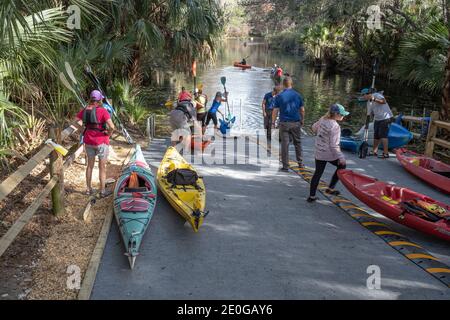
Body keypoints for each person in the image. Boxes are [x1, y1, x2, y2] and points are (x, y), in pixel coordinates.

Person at [77, 90, 115, 197]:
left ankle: (88, 190)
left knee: (90, 166)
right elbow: (112, 126)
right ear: (100, 100)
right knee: (102, 167)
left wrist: (83, 128)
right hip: (101, 141)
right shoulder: (103, 111)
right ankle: (102, 191)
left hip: (88, 141)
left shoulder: (85, 110)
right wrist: (109, 133)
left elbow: (76, 120)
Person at [307, 104, 349, 202]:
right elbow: (334, 145)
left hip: (319, 151)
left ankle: (311, 196)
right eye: (342, 114)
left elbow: (313, 128)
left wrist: (322, 134)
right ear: (336, 114)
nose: (343, 116)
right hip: (329, 154)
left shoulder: (323, 119)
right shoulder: (335, 126)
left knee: (317, 173)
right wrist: (341, 157)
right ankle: (330, 188)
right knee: (342, 165)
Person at [272, 77, 305, 172]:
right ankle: (300, 164)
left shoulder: (279, 96)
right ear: (292, 84)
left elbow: (275, 110)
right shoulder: (297, 95)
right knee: (297, 143)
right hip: (296, 123)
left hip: (284, 124)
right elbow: (302, 109)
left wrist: (273, 123)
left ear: (283, 85)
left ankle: (285, 166)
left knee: (284, 144)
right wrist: (302, 119)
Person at [361, 88, 394, 159]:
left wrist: (374, 99)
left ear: (367, 94)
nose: (363, 97)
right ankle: (374, 151)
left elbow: (384, 101)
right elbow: (370, 113)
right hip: (377, 119)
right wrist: (368, 121)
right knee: (376, 135)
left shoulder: (377, 95)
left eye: (363, 95)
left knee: (383, 135)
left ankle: (386, 153)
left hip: (386, 118)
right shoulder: (368, 103)